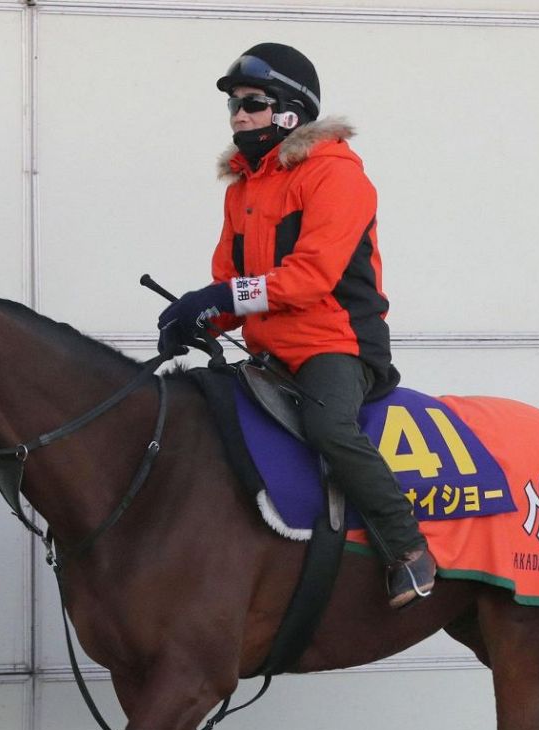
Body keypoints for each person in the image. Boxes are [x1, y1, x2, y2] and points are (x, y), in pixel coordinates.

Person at [157, 42, 436, 609]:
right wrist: (198, 313)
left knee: (328, 428)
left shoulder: (337, 176)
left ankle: (409, 551)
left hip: (336, 344)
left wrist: (223, 296)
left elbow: (309, 278)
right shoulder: (243, 189)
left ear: (290, 112)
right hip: (272, 351)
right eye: (234, 104)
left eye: (252, 103)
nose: (239, 115)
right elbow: (234, 285)